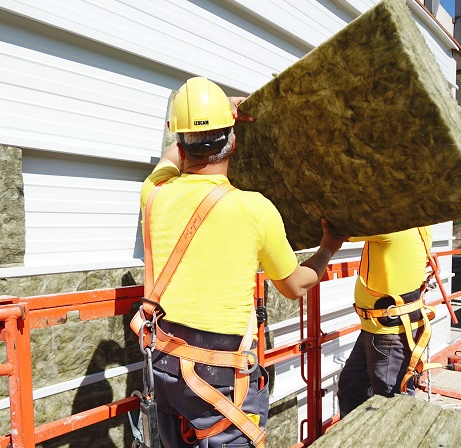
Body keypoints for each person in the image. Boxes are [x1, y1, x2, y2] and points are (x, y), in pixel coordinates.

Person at [133, 76, 347, 448]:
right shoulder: (255, 209)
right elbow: (295, 285)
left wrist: (204, 118)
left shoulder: (153, 195)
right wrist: (329, 246)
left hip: (163, 364)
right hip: (220, 377)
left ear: (181, 144)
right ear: (232, 142)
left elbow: (170, 157)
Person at [337, 226, 436, 417]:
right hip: (376, 330)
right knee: (351, 387)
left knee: (392, 405)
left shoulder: (392, 226)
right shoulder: (419, 224)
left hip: (388, 334)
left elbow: (338, 229)